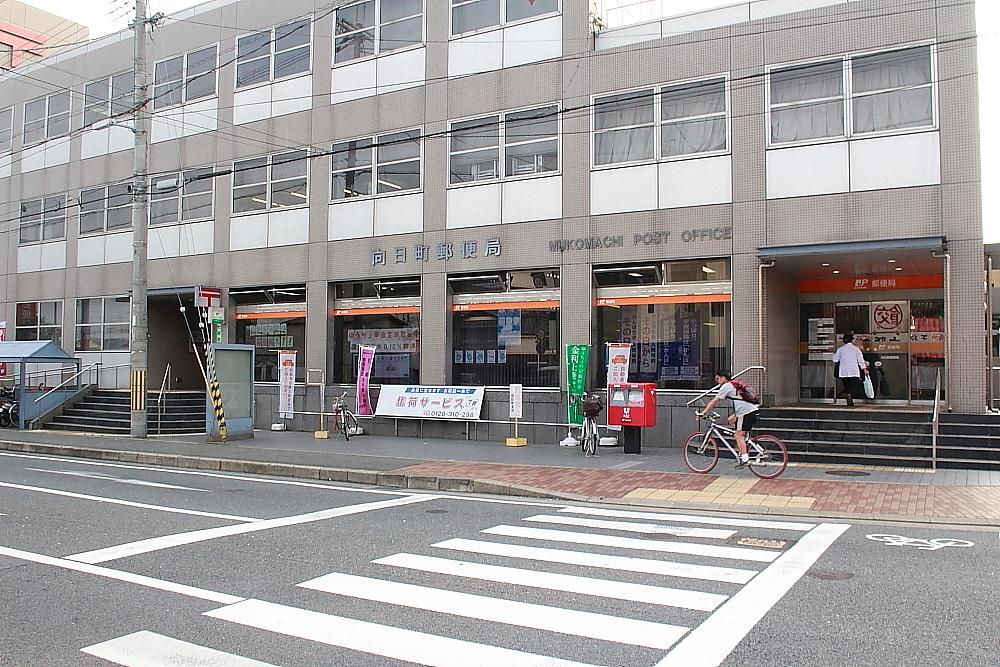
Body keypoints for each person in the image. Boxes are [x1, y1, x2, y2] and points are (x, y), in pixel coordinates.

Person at [698, 370, 758, 468]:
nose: (717, 381)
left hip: (745, 412)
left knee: (738, 435)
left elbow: (714, 401)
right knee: (731, 420)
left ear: (723, 378)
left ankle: (745, 458)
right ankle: (742, 444)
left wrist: (704, 412)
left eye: (718, 378)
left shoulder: (726, 386)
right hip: (751, 409)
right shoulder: (733, 385)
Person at [833, 333, 868, 406]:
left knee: (846, 385)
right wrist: (864, 369)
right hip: (853, 370)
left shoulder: (840, 349)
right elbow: (860, 360)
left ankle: (849, 396)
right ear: (852, 340)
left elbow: (835, 359)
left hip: (844, 371)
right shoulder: (856, 349)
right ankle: (849, 396)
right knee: (855, 385)